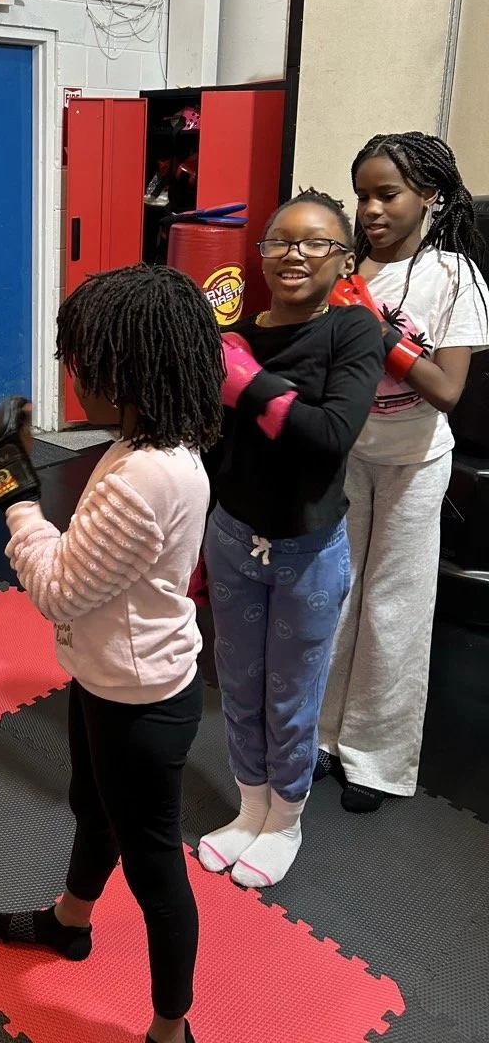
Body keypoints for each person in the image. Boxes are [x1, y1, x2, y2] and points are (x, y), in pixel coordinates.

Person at [0, 264, 224, 1043]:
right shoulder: (156, 443)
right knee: (93, 805)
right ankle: (70, 923)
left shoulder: (141, 477)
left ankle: (171, 1029)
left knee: (155, 867)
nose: (70, 373)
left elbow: (58, 590)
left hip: (138, 700)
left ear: (127, 369)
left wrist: (13, 491)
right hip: (114, 676)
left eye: (83, 358)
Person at [198, 190, 383, 887]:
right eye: (280, 241)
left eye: (315, 243)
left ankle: (287, 820)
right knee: (239, 685)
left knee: (292, 695)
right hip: (233, 536)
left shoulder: (352, 334)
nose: (294, 254)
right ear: (260, 253)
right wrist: (196, 542)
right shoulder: (240, 331)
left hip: (308, 550)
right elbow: (217, 450)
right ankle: (249, 809)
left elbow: (331, 437)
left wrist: (246, 382)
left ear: (343, 261)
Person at [318, 133, 489, 813]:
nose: (370, 209)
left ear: (431, 197)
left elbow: (446, 389)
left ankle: (376, 759)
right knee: (336, 596)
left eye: (386, 194)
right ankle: (323, 737)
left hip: (417, 462)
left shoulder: (455, 276)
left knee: (394, 609)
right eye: (362, 195)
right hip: (350, 452)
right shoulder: (354, 270)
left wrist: (375, 329)